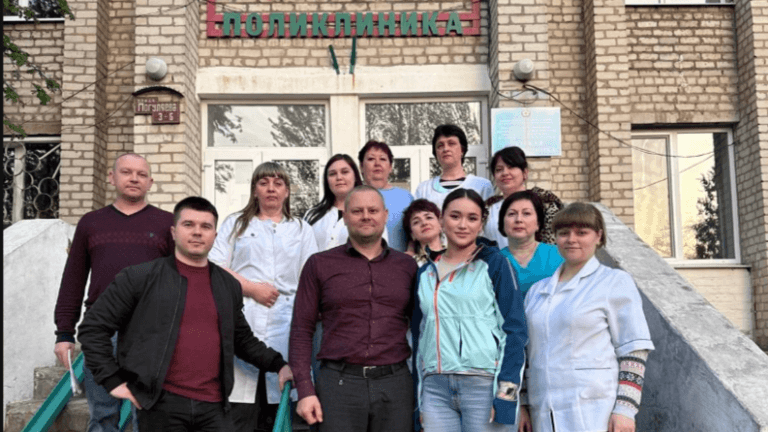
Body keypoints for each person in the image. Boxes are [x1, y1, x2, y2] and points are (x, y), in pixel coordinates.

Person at [77, 196, 294, 432]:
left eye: (205, 226)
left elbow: (241, 339)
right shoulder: (140, 277)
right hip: (161, 407)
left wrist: (279, 364)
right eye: (188, 224)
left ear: (215, 236)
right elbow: (93, 328)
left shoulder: (227, 285)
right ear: (173, 232)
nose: (197, 232)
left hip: (214, 407)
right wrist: (111, 380)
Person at [53, 153, 174, 432]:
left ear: (150, 182)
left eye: (141, 174)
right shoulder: (91, 223)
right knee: (103, 416)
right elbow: (73, 279)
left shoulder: (167, 224)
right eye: (126, 172)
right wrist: (64, 333)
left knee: (148, 417)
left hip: (151, 332)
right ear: (112, 177)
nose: (134, 179)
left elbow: (181, 280)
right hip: (102, 333)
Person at [289, 185, 419, 432]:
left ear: (385, 215)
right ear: (345, 217)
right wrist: (305, 389)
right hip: (338, 386)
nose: (366, 216)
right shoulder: (319, 264)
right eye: (357, 211)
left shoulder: (407, 267)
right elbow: (301, 330)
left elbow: (421, 329)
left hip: (395, 385)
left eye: (373, 210)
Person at [520, 203, 654, 432]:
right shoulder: (537, 291)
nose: (571, 239)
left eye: (582, 232)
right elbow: (525, 353)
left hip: (594, 410)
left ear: (598, 236)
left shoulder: (614, 282)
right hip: (543, 410)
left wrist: (625, 409)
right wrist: (522, 403)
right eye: (564, 233)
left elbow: (633, 349)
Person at [208, 161, 317, 432]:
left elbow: (310, 277)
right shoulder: (236, 223)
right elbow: (215, 266)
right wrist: (250, 288)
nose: (271, 189)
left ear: (287, 191)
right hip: (243, 316)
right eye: (264, 182)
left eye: (278, 183)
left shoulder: (301, 228)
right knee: (241, 406)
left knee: (279, 406)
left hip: (287, 321)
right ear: (254, 189)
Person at [411, 188, 528, 432]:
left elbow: (515, 331)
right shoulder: (425, 273)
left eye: (472, 218)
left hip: (483, 386)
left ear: (481, 224)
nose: (463, 225)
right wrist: (418, 398)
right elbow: (417, 337)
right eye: (455, 216)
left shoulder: (495, 264)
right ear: (441, 219)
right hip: (435, 390)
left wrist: (506, 396)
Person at [485, 146, 563, 248]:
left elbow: (556, 245)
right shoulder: (488, 208)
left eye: (511, 167)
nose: (505, 173)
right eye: (499, 169)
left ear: (525, 173)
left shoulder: (544, 205)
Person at [497, 191, 563, 298]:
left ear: (538, 223)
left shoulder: (560, 255)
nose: (519, 219)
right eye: (512, 214)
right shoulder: (494, 261)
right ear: (502, 223)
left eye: (526, 213)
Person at [415, 124, 494, 210]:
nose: (446, 149)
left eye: (451, 143)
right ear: (435, 153)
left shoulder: (482, 186)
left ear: (462, 150)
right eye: (440, 145)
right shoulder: (424, 190)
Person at [358, 140, 414, 252]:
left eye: (383, 159)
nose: (377, 163)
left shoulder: (405, 197)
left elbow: (415, 232)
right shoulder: (353, 197)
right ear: (361, 167)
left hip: (398, 260)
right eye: (371, 159)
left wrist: (410, 252)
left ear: (390, 167)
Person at [403, 198, 446, 267]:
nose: (424, 223)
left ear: (440, 224)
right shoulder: (408, 263)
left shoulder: (458, 254)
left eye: (429, 217)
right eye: (416, 222)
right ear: (412, 234)